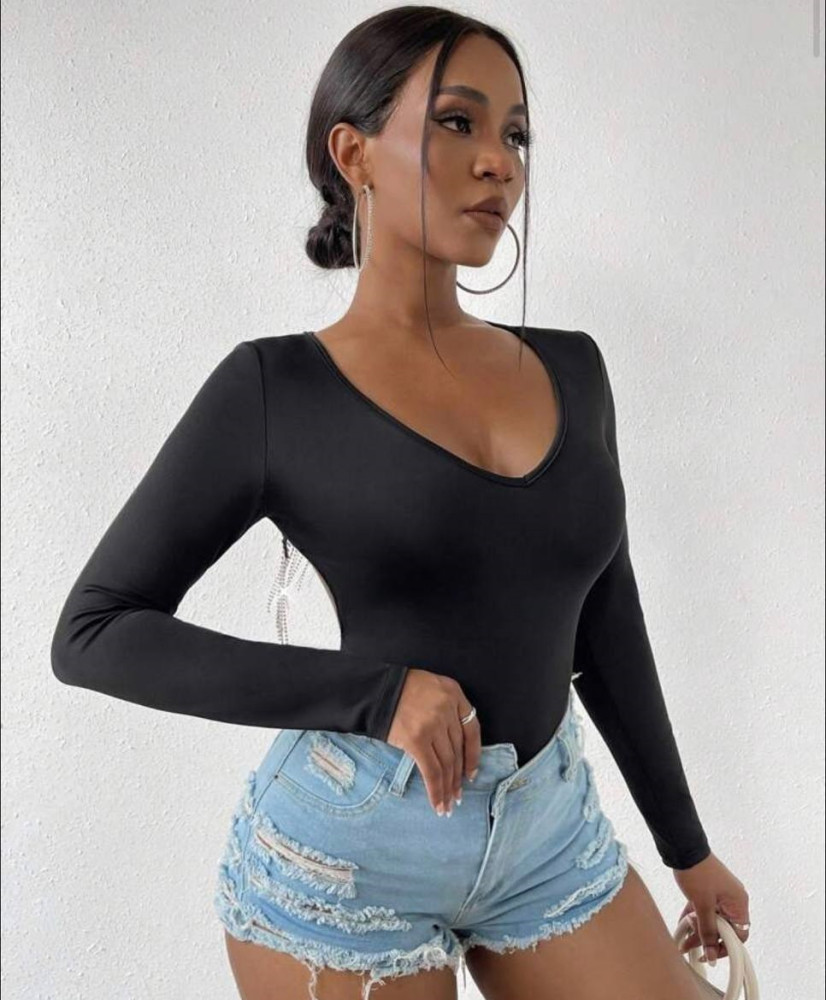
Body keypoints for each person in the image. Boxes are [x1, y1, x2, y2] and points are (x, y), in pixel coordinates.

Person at [50, 9, 751, 1000]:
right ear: (354, 155)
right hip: (349, 855)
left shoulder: (574, 370)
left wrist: (687, 848)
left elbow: (605, 621)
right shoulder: (274, 390)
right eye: (458, 122)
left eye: (515, 134)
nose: (499, 162)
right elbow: (93, 632)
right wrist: (376, 695)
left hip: (548, 832)